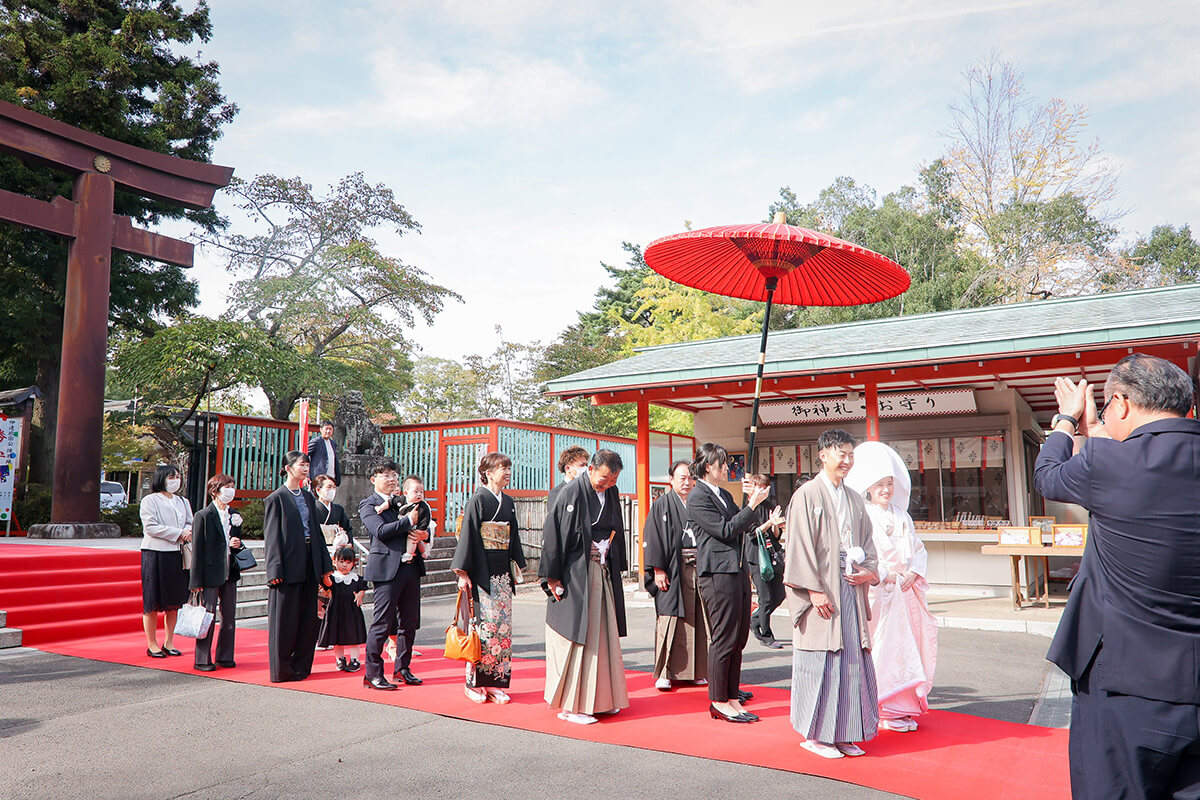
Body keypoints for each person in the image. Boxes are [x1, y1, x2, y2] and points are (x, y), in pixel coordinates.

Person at [1034, 354, 1200, 799]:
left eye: (1108, 408)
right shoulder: (1109, 460)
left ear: (1122, 403)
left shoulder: (1105, 464)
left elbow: (1047, 476)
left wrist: (1067, 420)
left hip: (1126, 682)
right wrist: (1099, 431)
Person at [784, 428, 880, 759]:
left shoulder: (854, 498)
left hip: (850, 587)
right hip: (822, 589)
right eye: (842, 454)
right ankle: (818, 736)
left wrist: (869, 570)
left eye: (851, 455)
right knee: (822, 662)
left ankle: (846, 732)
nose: (847, 460)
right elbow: (798, 546)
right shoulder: (807, 495)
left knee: (852, 659)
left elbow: (867, 542)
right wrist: (813, 590)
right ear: (823, 455)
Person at [845, 441, 937, 733]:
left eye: (889, 483)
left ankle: (905, 706)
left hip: (905, 591)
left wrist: (912, 571)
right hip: (881, 593)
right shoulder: (863, 515)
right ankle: (884, 707)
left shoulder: (902, 516)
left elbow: (918, 549)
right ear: (868, 488)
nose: (886, 490)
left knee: (909, 649)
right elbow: (861, 554)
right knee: (884, 649)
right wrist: (887, 575)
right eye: (879, 485)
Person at [687, 443, 782, 723]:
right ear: (708, 466)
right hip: (716, 573)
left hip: (737, 570)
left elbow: (744, 527)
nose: (727, 468)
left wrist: (753, 503)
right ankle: (718, 700)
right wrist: (751, 505)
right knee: (724, 637)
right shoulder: (698, 496)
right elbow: (725, 530)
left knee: (739, 637)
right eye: (723, 464)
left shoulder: (725, 494)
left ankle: (731, 696)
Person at [540, 449, 630, 725]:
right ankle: (571, 706)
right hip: (576, 572)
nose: (607, 485)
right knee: (579, 636)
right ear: (590, 469)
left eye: (612, 481)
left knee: (602, 635)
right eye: (603, 479)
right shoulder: (571, 492)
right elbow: (554, 534)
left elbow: (617, 529)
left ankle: (602, 700)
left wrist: (615, 559)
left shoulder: (611, 492)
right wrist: (552, 577)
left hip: (601, 570)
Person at [451, 452, 526, 704]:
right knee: (481, 628)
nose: (507, 472)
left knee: (502, 629)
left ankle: (495, 682)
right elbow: (468, 536)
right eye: (503, 468)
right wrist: (462, 572)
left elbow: (513, 536)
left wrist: (518, 563)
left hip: (502, 573)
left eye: (509, 468)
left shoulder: (508, 502)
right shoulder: (478, 500)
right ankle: (473, 683)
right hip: (481, 572)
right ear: (488, 473)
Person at [263, 450, 334, 683]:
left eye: (307, 465)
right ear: (288, 468)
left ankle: (302, 666)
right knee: (284, 620)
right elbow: (272, 538)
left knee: (307, 619)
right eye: (301, 465)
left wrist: (325, 565)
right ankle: (282, 669)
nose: (305, 469)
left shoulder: (308, 497)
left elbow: (317, 534)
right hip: (287, 564)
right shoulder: (276, 498)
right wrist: (274, 569)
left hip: (309, 560)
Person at [643, 458, 709, 691]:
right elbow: (652, 537)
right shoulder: (661, 505)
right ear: (670, 480)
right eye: (682, 478)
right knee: (670, 619)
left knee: (697, 618)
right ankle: (665, 673)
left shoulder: (699, 503)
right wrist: (658, 569)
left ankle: (696, 671)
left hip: (698, 567)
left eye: (691, 478)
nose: (687, 482)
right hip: (672, 568)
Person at [359, 459, 424, 690]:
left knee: (409, 622)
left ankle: (402, 668)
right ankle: (373, 673)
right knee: (382, 622)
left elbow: (421, 526)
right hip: (386, 569)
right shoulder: (369, 504)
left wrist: (423, 535)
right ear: (373, 479)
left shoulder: (404, 501)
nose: (392, 479)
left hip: (410, 567)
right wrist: (408, 521)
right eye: (386, 475)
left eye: (394, 475)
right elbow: (380, 531)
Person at [189, 473, 248, 671]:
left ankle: (225, 656)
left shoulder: (234, 515)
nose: (230, 490)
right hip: (209, 572)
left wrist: (237, 543)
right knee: (208, 616)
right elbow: (197, 550)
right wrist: (195, 580)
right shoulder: (203, 516)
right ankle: (202, 659)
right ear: (215, 491)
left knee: (229, 616)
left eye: (232, 486)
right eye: (226, 487)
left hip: (230, 571)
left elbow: (236, 543)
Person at [139, 465, 193, 659]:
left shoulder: (182, 501)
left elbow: (189, 522)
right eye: (171, 477)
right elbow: (150, 527)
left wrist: (188, 531)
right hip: (155, 553)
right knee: (152, 600)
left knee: (174, 602)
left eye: (178, 477)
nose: (175, 481)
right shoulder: (150, 500)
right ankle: (152, 644)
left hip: (177, 554)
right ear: (161, 478)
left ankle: (169, 642)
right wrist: (179, 533)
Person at [745, 472, 787, 650]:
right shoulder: (748, 508)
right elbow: (752, 534)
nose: (763, 491)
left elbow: (775, 535)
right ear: (752, 489)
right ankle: (766, 635)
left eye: (765, 488)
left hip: (772, 554)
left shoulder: (769, 505)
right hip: (756, 557)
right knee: (766, 598)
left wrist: (775, 525)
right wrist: (769, 523)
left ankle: (755, 620)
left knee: (779, 594)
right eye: (759, 488)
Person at [318, 544, 368, 672]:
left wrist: (360, 596)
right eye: (341, 561)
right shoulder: (333, 578)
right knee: (337, 638)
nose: (344, 565)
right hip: (336, 610)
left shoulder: (356, 578)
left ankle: (355, 660)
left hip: (352, 611)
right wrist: (326, 574)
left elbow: (362, 589)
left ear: (353, 563)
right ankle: (340, 659)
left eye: (348, 562)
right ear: (334, 561)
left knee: (354, 637)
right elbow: (328, 584)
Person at [398, 475, 433, 564]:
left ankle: (410, 554)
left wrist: (422, 530)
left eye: (421, 492)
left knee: (414, 538)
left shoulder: (423, 507)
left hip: (416, 529)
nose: (419, 494)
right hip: (399, 543)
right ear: (406, 493)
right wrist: (381, 507)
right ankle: (422, 552)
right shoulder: (400, 501)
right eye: (416, 492)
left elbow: (426, 519)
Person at [312, 474, 352, 545]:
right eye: (329, 487)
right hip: (319, 545)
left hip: (336, 546)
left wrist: (348, 542)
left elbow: (347, 528)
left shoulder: (339, 509)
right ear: (318, 490)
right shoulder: (312, 508)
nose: (332, 490)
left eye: (334, 487)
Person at [307, 421, 342, 487]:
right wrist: (307, 475)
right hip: (319, 478)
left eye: (330, 429)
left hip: (331, 477)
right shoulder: (316, 442)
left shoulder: (333, 443)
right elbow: (304, 455)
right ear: (321, 430)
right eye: (326, 429)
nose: (328, 431)